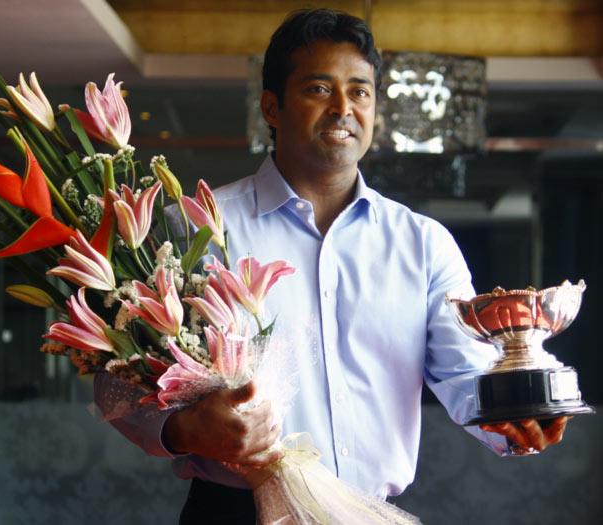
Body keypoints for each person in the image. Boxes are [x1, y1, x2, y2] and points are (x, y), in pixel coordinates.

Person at [95, 8, 569, 524]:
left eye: (360, 91)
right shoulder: (195, 229)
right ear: (271, 107)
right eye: (319, 89)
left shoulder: (424, 244)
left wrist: (512, 414)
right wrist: (184, 429)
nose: (344, 107)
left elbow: (464, 370)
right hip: (233, 512)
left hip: (370, 512)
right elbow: (116, 378)